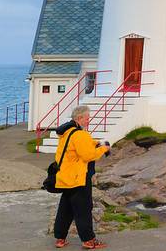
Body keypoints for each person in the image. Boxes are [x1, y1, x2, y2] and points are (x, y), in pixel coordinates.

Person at [52, 105, 110, 249]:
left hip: (65, 177)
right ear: (79, 119)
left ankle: (60, 238)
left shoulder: (67, 132)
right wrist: (103, 148)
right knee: (83, 209)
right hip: (79, 178)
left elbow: (78, 145)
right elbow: (88, 155)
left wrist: (95, 143)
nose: (88, 121)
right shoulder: (81, 134)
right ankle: (89, 240)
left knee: (65, 209)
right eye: (87, 118)